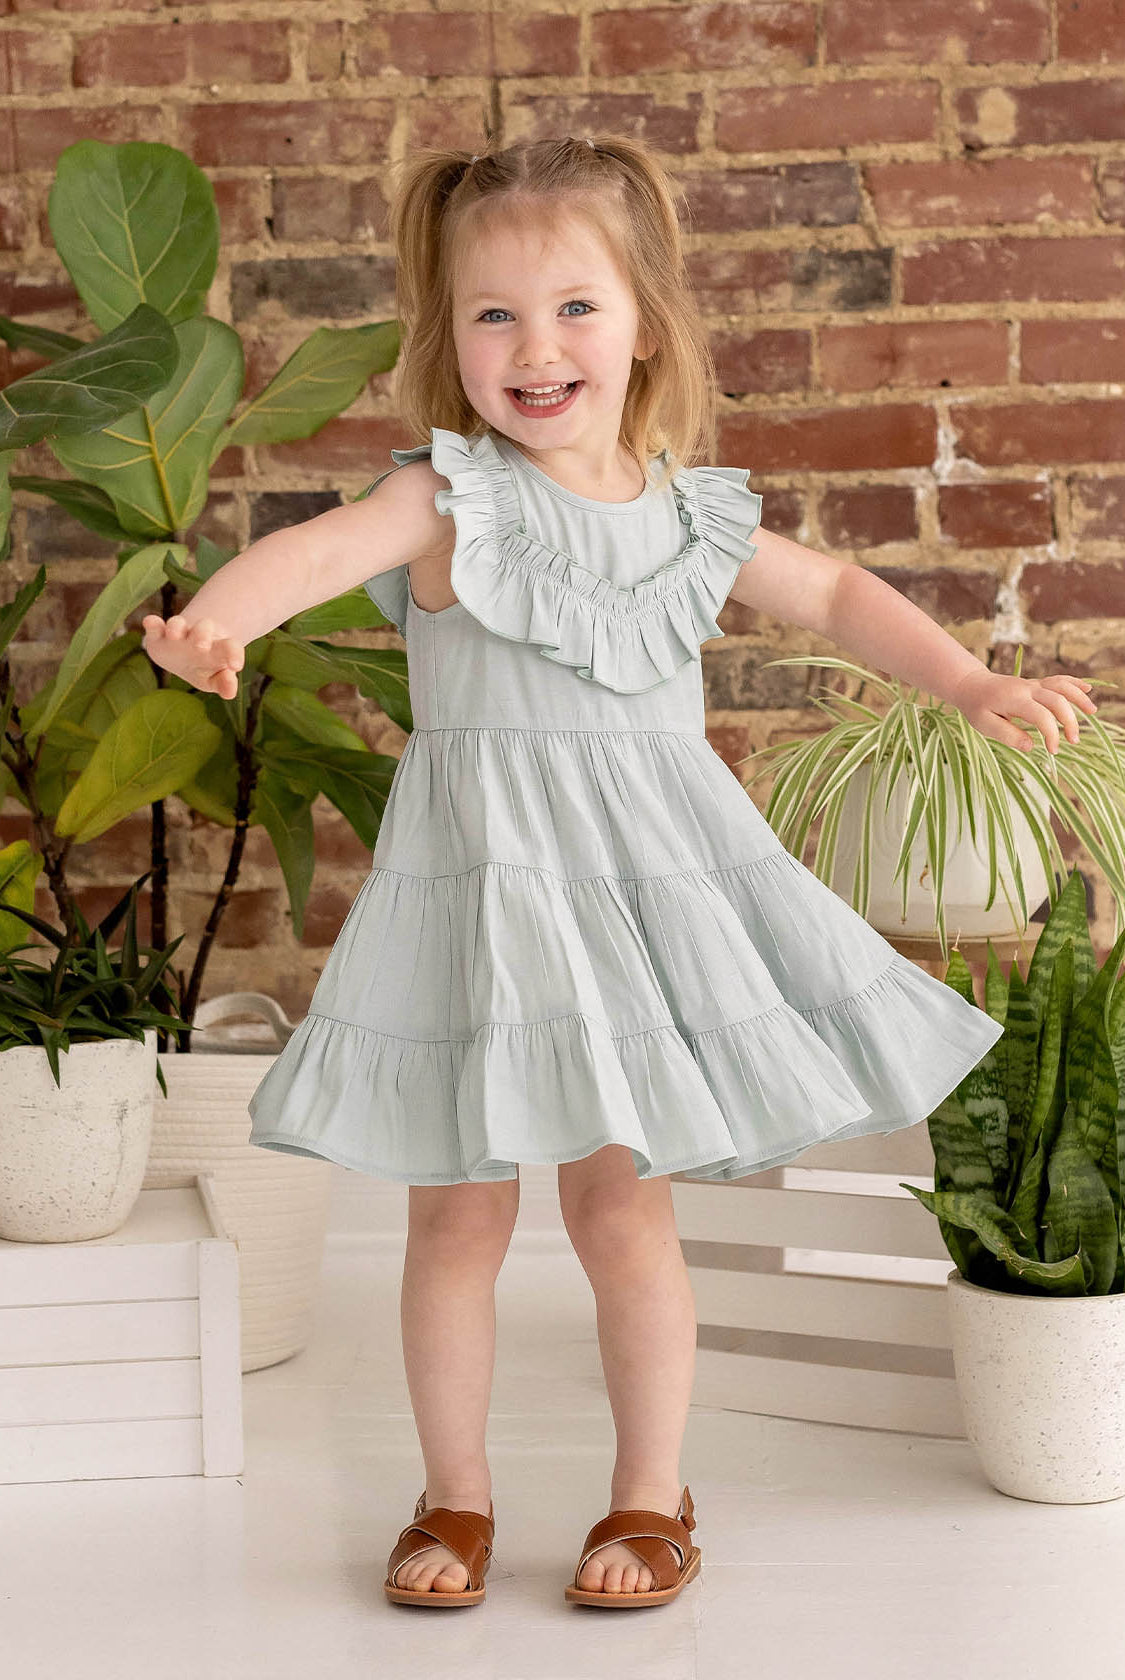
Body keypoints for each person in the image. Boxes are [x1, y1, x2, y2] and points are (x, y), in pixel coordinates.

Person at [142, 133, 1096, 1612]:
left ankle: (651, 1495)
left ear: (643, 319)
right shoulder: (444, 500)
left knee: (618, 1208)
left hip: (643, 906)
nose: (535, 349)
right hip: (487, 902)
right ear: (445, 336)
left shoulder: (685, 520)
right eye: (493, 315)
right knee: (456, 1211)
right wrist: (220, 621)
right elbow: (309, 552)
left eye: (574, 308)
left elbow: (834, 588)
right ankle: (452, 1498)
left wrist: (966, 679)